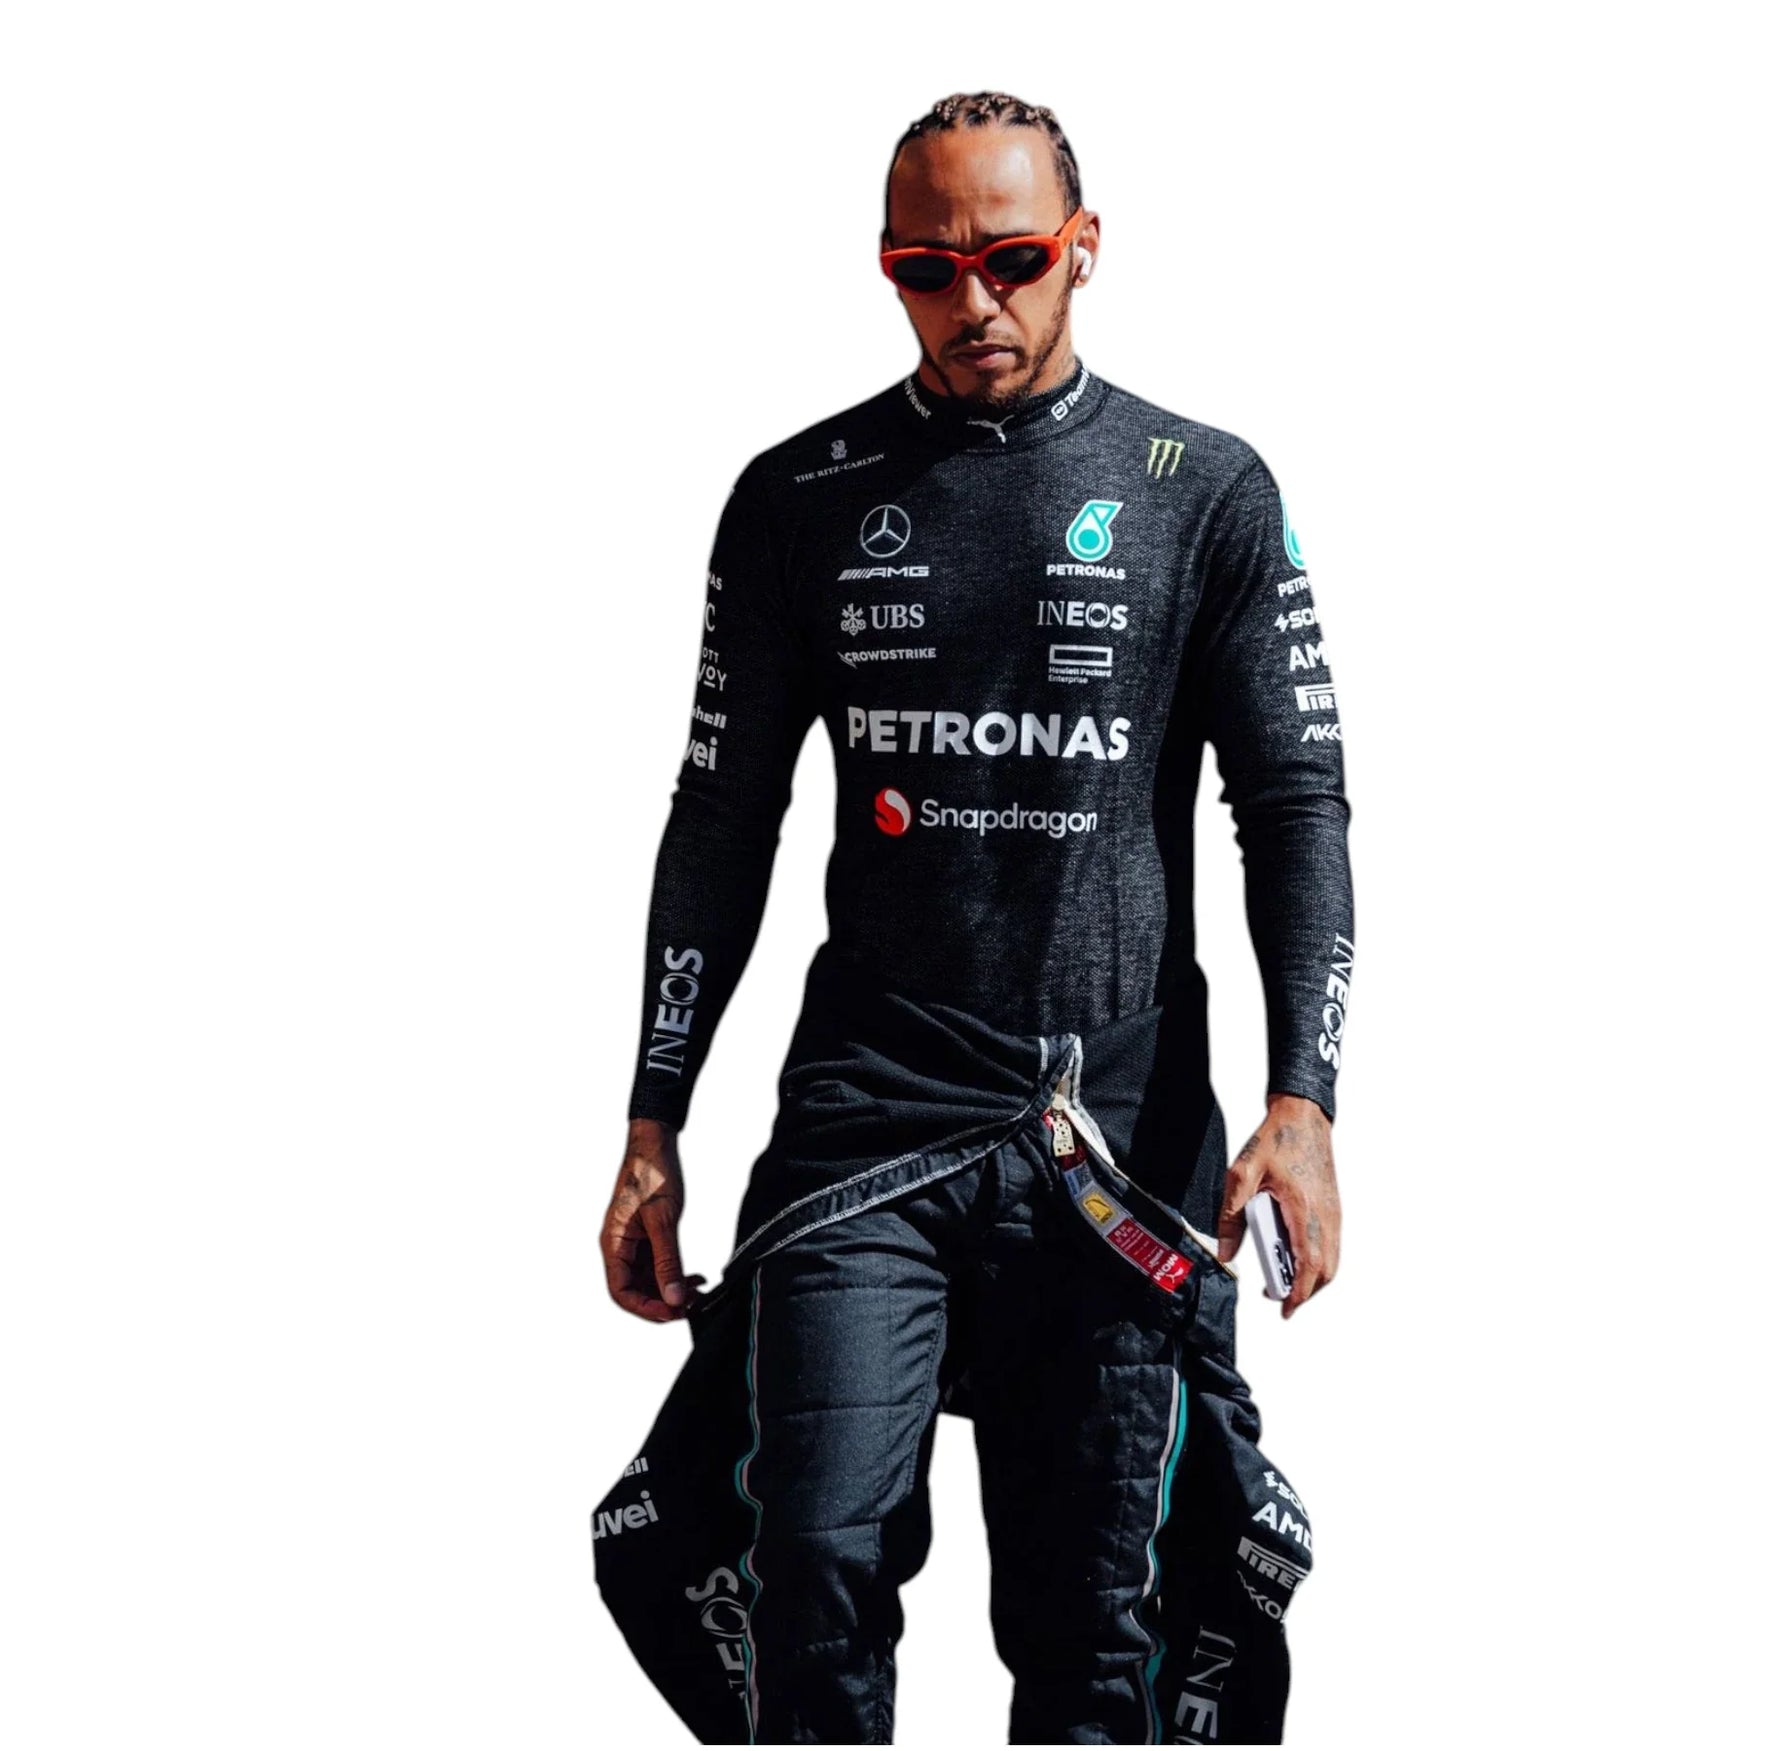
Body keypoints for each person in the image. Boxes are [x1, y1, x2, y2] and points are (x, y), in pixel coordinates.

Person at [594, 91, 1355, 1744]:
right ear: (887, 269)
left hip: (1114, 1141)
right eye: (926, 270)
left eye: (1011, 260)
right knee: (808, 1569)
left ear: (1083, 251)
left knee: (1098, 1636)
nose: (973, 302)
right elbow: (720, 814)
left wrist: (1303, 1102)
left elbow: (1293, 803)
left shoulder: (1201, 491)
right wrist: (653, 1124)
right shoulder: (798, 496)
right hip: (869, 1115)